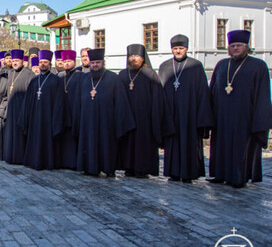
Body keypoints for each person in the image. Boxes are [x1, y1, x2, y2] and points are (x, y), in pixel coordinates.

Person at [208, 30, 272, 188]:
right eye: (232, 46)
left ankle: (239, 177)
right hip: (222, 118)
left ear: (246, 47)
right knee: (220, 148)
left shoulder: (258, 66)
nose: (235, 48)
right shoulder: (222, 65)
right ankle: (220, 174)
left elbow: (263, 95)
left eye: (239, 45)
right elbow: (212, 92)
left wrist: (260, 121)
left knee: (241, 150)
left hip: (245, 119)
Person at [158, 35, 213, 182]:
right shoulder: (164, 66)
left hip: (190, 115)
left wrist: (202, 118)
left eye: (181, 48)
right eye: (175, 48)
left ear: (186, 49)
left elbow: (203, 92)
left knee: (189, 144)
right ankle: (173, 173)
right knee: (172, 144)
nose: (178, 51)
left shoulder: (195, 66)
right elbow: (159, 91)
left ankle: (189, 173)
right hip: (170, 114)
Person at [74, 49, 135, 177]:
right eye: (93, 63)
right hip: (87, 122)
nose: (95, 65)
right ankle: (89, 168)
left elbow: (121, 102)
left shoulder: (113, 78)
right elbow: (78, 102)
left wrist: (119, 123)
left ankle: (108, 169)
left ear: (103, 63)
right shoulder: (84, 79)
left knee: (106, 145)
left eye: (98, 62)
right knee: (88, 144)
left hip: (106, 122)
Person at [116, 44, 171, 178]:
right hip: (126, 116)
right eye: (131, 56)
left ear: (143, 58)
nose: (134, 59)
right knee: (127, 144)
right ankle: (128, 167)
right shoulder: (123, 74)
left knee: (143, 144)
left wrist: (155, 116)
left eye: (137, 56)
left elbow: (158, 98)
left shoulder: (150, 74)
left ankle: (143, 169)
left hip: (145, 118)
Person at [19, 49, 65, 170]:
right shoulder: (34, 81)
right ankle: (32, 161)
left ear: (50, 64)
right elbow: (27, 101)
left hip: (48, 118)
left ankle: (47, 163)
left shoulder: (56, 80)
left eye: (45, 62)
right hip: (34, 118)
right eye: (41, 62)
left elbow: (59, 103)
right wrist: (25, 118)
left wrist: (56, 121)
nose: (43, 64)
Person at [2, 49, 34, 165]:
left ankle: (20, 158)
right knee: (10, 134)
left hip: (22, 109)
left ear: (21, 61)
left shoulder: (29, 74)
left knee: (20, 135)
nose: (15, 63)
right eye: (13, 60)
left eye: (17, 60)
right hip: (11, 109)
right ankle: (9, 156)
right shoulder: (10, 73)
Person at [56, 50, 81, 169]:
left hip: (75, 112)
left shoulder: (81, 76)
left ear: (74, 61)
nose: (66, 63)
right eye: (64, 61)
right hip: (62, 112)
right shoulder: (59, 76)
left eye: (69, 61)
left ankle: (73, 163)